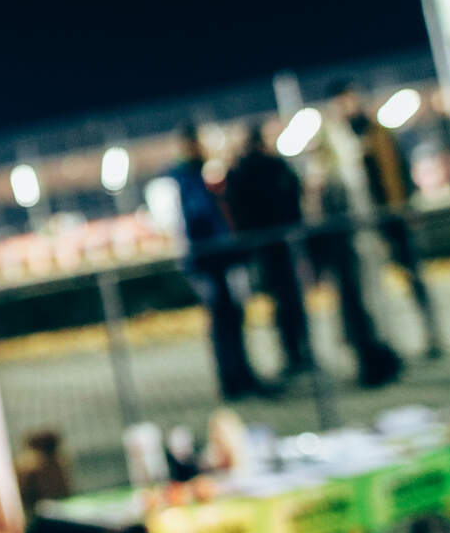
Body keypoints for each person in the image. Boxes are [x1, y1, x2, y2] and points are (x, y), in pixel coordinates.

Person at [330, 81, 443, 357]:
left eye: (349, 99)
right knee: (373, 286)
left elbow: (398, 170)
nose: (347, 106)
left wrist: (406, 206)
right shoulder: (338, 139)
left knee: (412, 276)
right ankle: (389, 341)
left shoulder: (377, 131)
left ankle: (431, 334)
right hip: (364, 224)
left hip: (391, 216)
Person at [307, 86, 402, 387]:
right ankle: (377, 359)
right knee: (364, 307)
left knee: (367, 306)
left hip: (357, 248)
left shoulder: (343, 175)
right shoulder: (340, 176)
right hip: (355, 250)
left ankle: (379, 359)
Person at [170, 123, 266, 400]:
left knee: (231, 318)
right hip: (210, 261)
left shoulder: (195, 175)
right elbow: (200, 218)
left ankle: (239, 376)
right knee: (224, 321)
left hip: (214, 260)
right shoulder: (188, 178)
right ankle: (234, 379)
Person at [225, 121, 313, 375]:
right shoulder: (275, 166)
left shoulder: (242, 171)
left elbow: (237, 208)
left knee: (279, 300)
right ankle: (302, 351)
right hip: (284, 242)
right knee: (292, 298)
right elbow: (295, 194)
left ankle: (292, 353)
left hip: (264, 245)